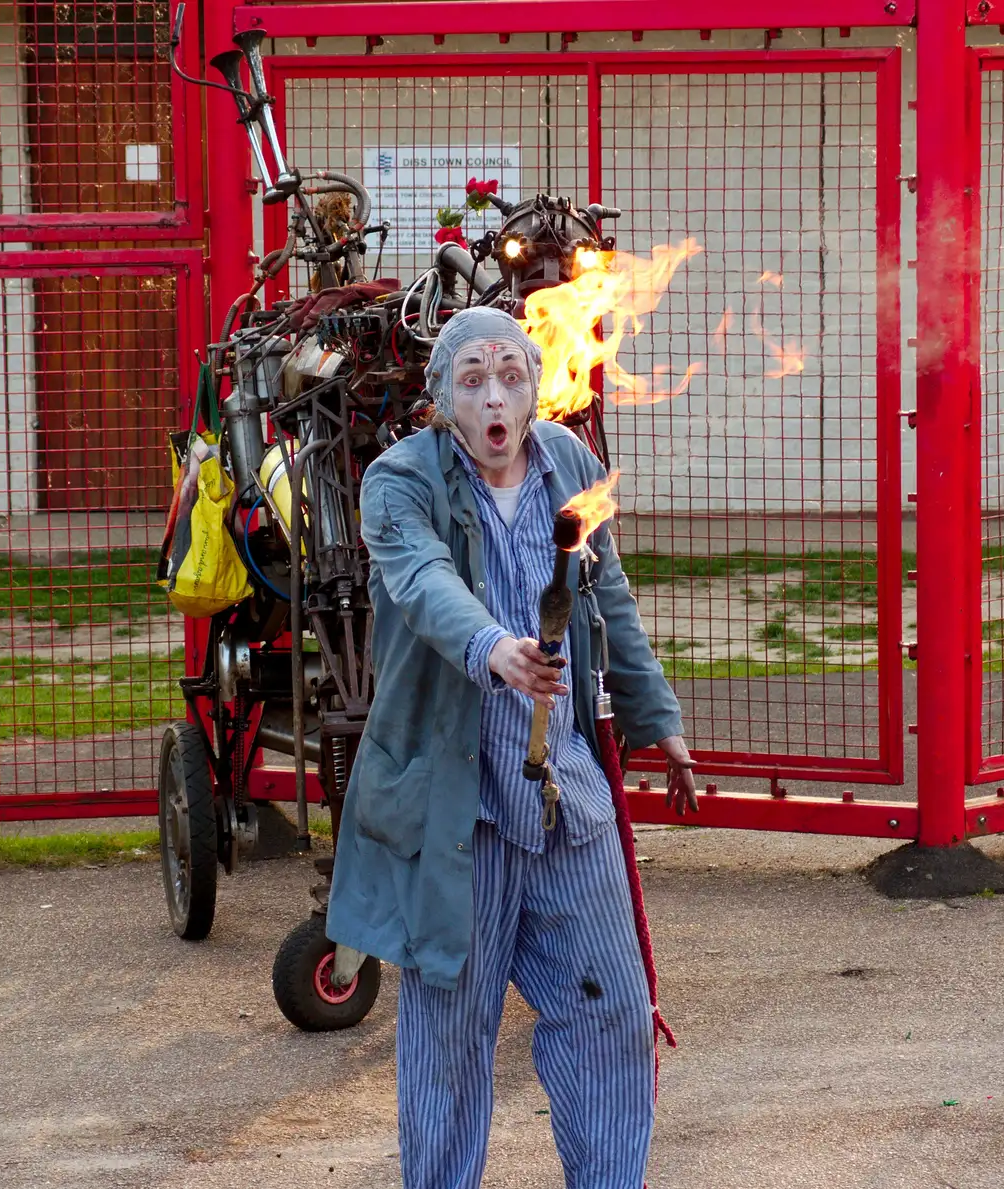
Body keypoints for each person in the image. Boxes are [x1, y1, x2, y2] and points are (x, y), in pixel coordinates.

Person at [325, 306, 697, 1188]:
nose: (495, 396)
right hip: (463, 806)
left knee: (610, 1013)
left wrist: (657, 719)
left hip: (566, 799)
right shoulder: (399, 480)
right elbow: (421, 582)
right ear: (442, 398)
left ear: (536, 384)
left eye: (510, 376)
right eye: (473, 379)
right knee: (450, 1041)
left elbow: (609, 602)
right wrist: (497, 648)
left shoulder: (571, 462)